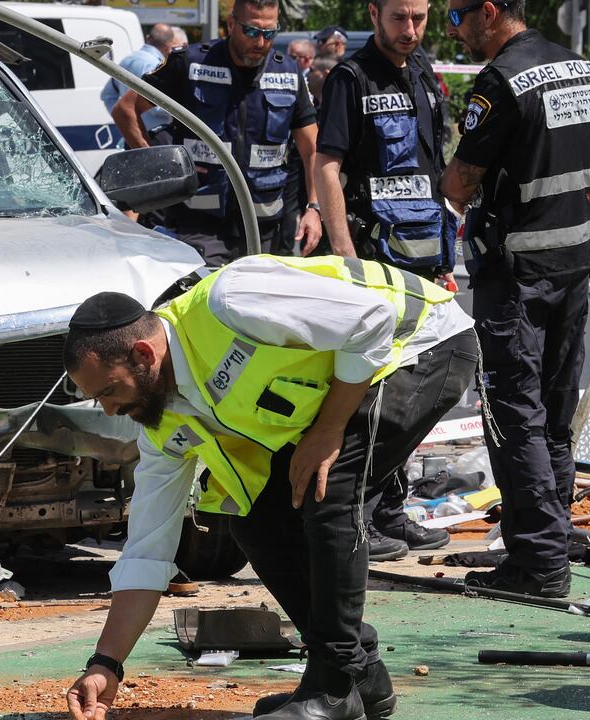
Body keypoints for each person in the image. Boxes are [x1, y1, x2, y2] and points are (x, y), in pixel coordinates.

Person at [62, 257, 476, 720]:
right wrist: (106, 665)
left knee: (329, 487)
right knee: (255, 517)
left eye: (109, 391)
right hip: (359, 368)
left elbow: (373, 321)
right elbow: (146, 550)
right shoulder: (161, 426)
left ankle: (333, 687)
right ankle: (363, 678)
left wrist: (330, 428)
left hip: (421, 343)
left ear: (143, 354)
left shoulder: (230, 302)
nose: (111, 410)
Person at [441, 0, 590, 597]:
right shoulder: (576, 65)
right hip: (574, 261)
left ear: (491, 12)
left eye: (458, 17)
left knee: (512, 415)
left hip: (516, 271)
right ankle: (553, 542)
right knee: (554, 411)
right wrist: (573, 189)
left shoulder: (500, 82)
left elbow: (457, 183)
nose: (456, 29)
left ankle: (539, 564)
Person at [312, 0, 456, 560]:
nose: (411, 30)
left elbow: (431, 173)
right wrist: (347, 255)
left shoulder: (422, 73)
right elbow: (327, 167)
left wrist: (444, 257)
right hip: (372, 259)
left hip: (421, 258)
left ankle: (390, 511)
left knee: (412, 394)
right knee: (369, 393)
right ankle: (358, 516)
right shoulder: (352, 78)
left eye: (420, 18)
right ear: (374, 13)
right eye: (400, 18)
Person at [111, 0, 322, 265]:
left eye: (270, 33)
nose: (260, 43)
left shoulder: (288, 73)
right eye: (252, 31)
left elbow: (312, 149)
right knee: (208, 300)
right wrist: (153, 166)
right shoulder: (192, 64)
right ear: (231, 24)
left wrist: (314, 208)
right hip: (199, 226)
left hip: (264, 228)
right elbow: (126, 108)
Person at [100, 24, 187, 139]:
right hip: (156, 138)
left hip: (132, 136)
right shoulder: (158, 66)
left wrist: (124, 122)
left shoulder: (127, 60)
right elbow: (156, 107)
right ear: (168, 46)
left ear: (148, 37)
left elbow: (107, 95)